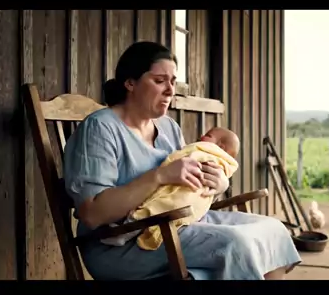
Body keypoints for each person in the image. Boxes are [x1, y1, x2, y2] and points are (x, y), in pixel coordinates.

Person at [63, 41, 301, 281]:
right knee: (235, 245)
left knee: (273, 231)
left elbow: (182, 191)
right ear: (130, 83)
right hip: (121, 244)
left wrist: (217, 184)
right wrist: (159, 176)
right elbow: (92, 213)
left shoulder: (169, 127)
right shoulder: (100, 128)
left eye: (172, 82)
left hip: (177, 224)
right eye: (159, 81)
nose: (170, 90)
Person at [103, 126, 240, 250]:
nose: (201, 136)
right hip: (186, 213)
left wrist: (221, 186)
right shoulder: (104, 126)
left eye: (208, 135)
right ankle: (124, 233)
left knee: (152, 209)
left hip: (185, 201)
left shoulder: (176, 130)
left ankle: (123, 233)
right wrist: (163, 173)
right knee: (234, 241)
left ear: (220, 147)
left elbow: (182, 157)